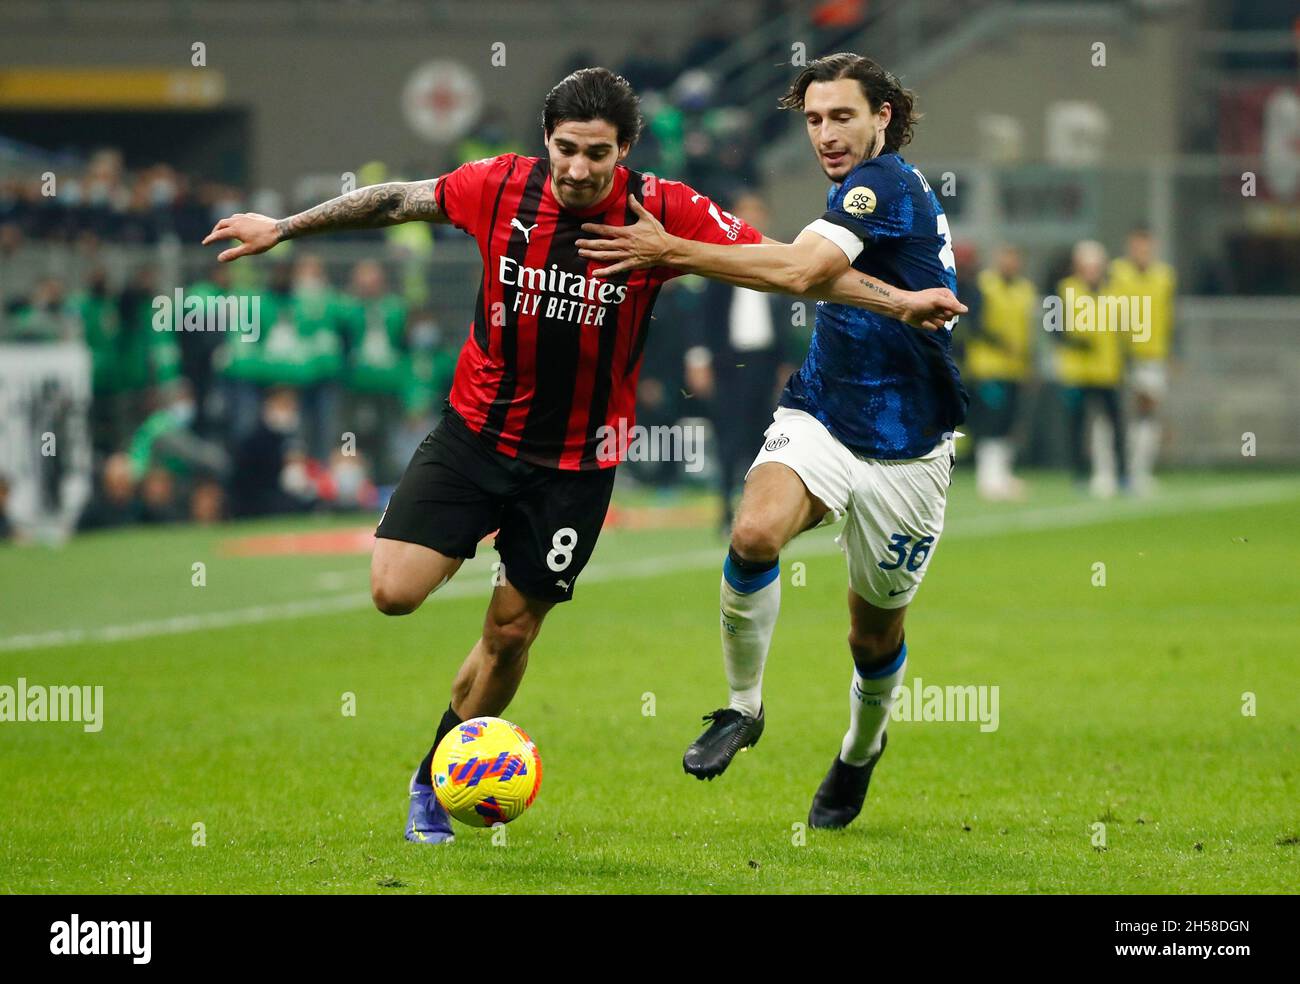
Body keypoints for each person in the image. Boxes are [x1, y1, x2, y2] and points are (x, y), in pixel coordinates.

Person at [203, 67, 964, 846]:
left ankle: (435, 778)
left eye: (595, 155)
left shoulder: (661, 210)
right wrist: (285, 227)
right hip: (475, 435)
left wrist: (897, 301)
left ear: (624, 150)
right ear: (546, 141)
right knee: (393, 592)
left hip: (576, 464)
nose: (576, 168)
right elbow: (398, 197)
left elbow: (792, 265)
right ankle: (731, 702)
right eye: (565, 149)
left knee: (509, 634)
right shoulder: (496, 186)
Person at [577, 52, 968, 831]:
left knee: (872, 630)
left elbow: (798, 273)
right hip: (822, 413)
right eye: (815, 119)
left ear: (882, 116)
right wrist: (897, 301)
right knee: (754, 532)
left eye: (842, 117)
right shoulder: (856, 191)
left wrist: (673, 252)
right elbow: (814, 275)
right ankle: (742, 708)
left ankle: (860, 749)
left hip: (909, 446)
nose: (825, 133)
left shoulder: (885, 183)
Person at [684, 191, 796, 530]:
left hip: (765, 361)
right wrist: (698, 359)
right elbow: (702, 316)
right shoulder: (722, 259)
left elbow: (791, 318)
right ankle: (725, 509)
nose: (753, 219)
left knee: (767, 436)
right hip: (729, 363)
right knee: (729, 435)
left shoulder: (780, 259)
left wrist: (787, 362)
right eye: (746, 212)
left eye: (758, 212)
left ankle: (764, 508)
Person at [1055, 240, 1126, 497]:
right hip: (1078, 371)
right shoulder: (1066, 290)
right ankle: (1080, 474)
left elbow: (1122, 330)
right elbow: (1055, 328)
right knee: (1077, 427)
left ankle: (1121, 474)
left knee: (1115, 424)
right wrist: (1074, 341)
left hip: (1107, 370)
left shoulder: (1114, 292)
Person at [1109, 227, 1175, 496]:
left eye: (1146, 247)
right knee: (1115, 414)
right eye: (1137, 246)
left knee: (1147, 413)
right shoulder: (1117, 273)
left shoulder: (1165, 276)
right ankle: (1113, 472)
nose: (1142, 252)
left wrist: (1171, 352)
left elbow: (1168, 315)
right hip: (1121, 354)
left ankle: (1139, 471)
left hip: (1153, 354)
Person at [968, 245, 1036, 500]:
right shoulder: (984, 286)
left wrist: (1028, 363)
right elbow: (974, 323)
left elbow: (1027, 332)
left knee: (1009, 424)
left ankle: (1002, 475)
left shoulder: (1025, 290)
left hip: (1015, 369)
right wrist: (998, 342)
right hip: (989, 368)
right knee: (991, 423)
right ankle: (988, 478)